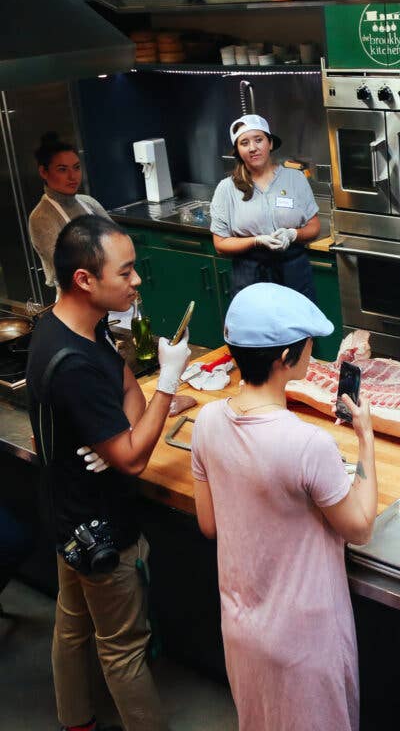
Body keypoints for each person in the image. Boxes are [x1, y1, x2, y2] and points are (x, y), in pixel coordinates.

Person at [26, 215, 192, 731]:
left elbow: (124, 385)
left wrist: (123, 425)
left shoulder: (74, 325)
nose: (136, 281)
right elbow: (135, 458)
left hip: (66, 515)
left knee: (73, 622)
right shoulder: (71, 360)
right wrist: (169, 380)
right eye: (126, 273)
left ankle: (74, 720)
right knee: (123, 648)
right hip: (98, 527)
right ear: (85, 279)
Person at [191, 282, 377, 731]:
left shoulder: (208, 421)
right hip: (304, 641)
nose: (313, 352)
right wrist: (366, 441)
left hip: (242, 629)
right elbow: (360, 527)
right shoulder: (307, 443)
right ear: (286, 358)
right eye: (309, 346)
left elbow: (209, 524)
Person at [210, 115, 321, 301]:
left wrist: (293, 234)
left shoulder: (295, 179)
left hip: (294, 273)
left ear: (270, 143)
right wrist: (256, 241)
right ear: (238, 151)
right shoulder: (226, 189)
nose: (253, 148)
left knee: (299, 328)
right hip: (250, 276)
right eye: (244, 143)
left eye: (258, 140)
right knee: (255, 328)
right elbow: (220, 244)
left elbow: (314, 227)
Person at [29, 133, 111, 295]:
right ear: (44, 172)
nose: (72, 176)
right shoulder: (41, 217)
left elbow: (119, 241)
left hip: (109, 289)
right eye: (62, 169)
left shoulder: (89, 202)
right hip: (76, 299)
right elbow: (69, 268)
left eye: (76, 167)